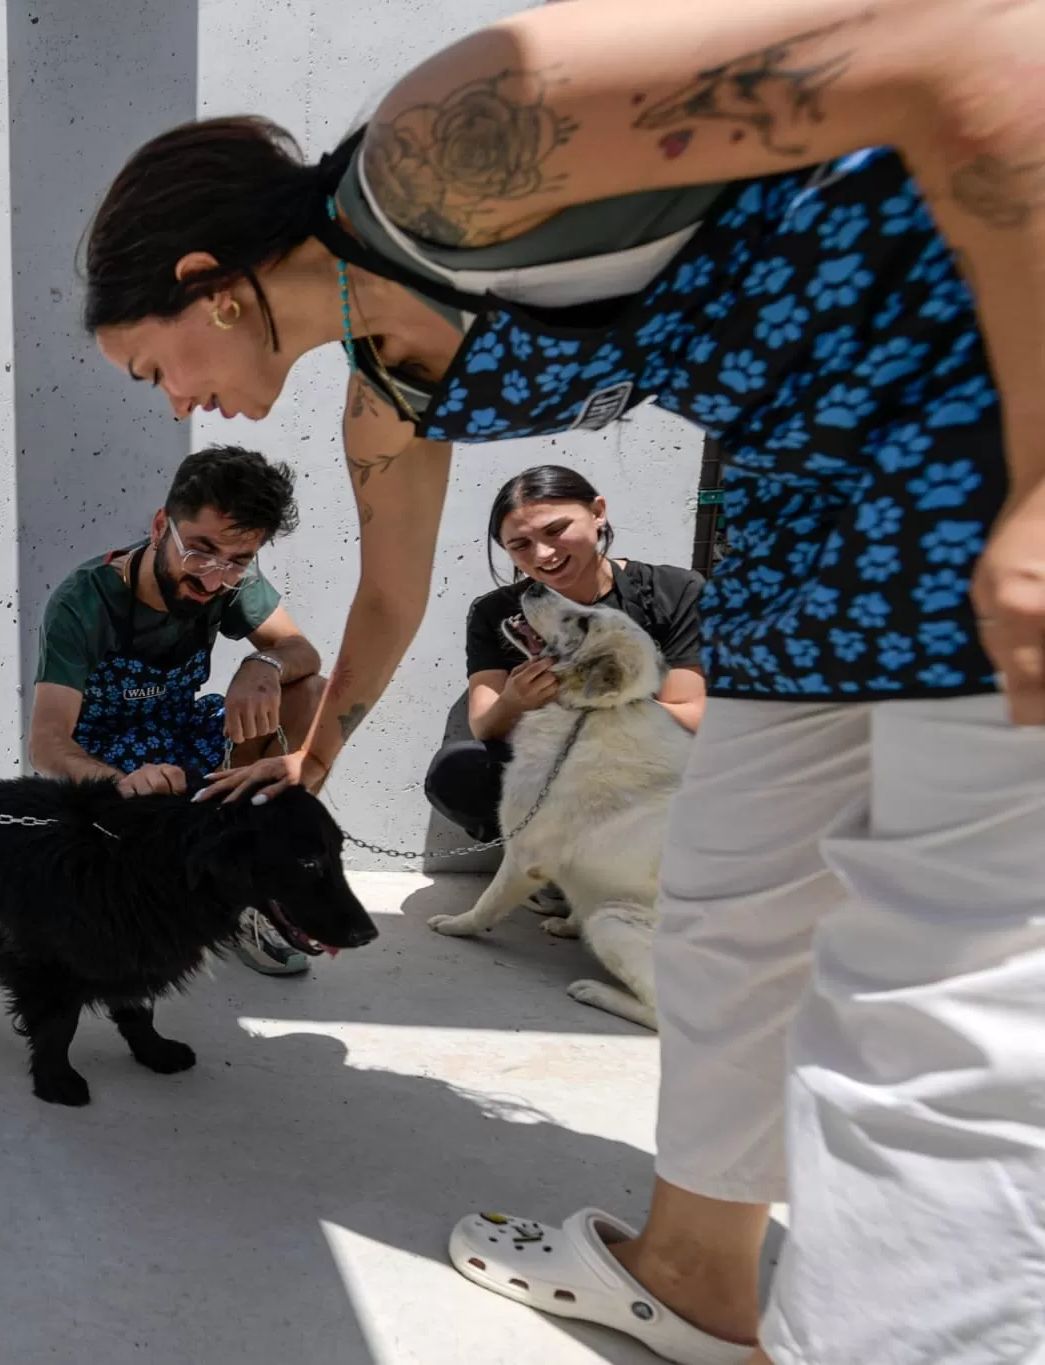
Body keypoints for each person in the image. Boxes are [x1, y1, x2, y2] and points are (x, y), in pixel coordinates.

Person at [79, 2, 1045, 1361]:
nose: (173, 397)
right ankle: (695, 1274)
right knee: (731, 912)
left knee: (942, 982)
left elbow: (982, 52)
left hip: (969, 409)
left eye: (150, 364)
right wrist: (312, 765)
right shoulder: (386, 393)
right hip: (792, 498)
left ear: (209, 280)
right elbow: (393, 602)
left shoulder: (440, 150)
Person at [28, 444, 327, 975]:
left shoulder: (230, 578)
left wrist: (262, 665)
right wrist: (120, 781)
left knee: (309, 690)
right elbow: (48, 743)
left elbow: (302, 653)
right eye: (199, 552)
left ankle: (244, 881)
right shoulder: (85, 601)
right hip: (108, 757)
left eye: (236, 562)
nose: (213, 579)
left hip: (182, 732)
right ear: (162, 523)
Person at [426, 465, 705, 863]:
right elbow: (485, 725)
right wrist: (514, 701)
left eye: (556, 530)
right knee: (460, 770)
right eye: (520, 545)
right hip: (554, 766)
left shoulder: (674, 592)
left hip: (644, 765)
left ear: (598, 512)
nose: (543, 554)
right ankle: (552, 866)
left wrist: (597, 699)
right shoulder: (497, 614)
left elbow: (692, 715)